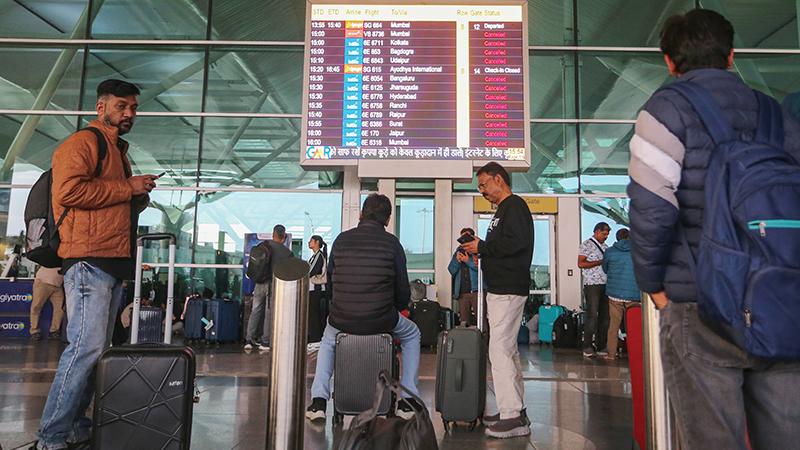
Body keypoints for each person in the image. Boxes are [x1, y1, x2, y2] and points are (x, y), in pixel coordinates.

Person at [628, 9, 800, 449]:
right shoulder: (776, 114)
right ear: (731, 55)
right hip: (778, 298)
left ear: (669, 60)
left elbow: (652, 207)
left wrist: (654, 286)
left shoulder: (664, 110)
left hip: (699, 301)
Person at [34, 79, 156, 450]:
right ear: (101, 107)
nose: (129, 113)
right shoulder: (83, 143)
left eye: (133, 107)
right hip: (88, 259)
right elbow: (68, 191)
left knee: (96, 351)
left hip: (110, 257)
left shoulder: (117, 151)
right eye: (122, 106)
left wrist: (137, 195)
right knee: (84, 349)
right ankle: (51, 436)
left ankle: (72, 427)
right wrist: (127, 189)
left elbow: (108, 199)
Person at [305, 194, 422, 421]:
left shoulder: (341, 240)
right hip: (382, 318)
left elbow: (331, 284)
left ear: (361, 214)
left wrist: (339, 307)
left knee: (329, 340)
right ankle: (407, 402)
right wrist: (394, 309)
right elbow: (402, 291)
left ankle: (318, 402)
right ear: (387, 219)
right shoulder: (393, 244)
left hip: (342, 318)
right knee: (413, 334)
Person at [460, 162, 533, 439]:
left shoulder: (515, 206)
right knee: (508, 350)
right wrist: (482, 249)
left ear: (499, 179)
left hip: (508, 288)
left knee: (499, 350)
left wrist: (484, 247)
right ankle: (515, 410)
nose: (482, 191)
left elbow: (517, 243)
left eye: (484, 185)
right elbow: (504, 245)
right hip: (502, 287)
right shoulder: (503, 210)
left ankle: (513, 416)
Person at [244, 224, 293, 351]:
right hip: (274, 285)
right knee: (269, 312)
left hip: (259, 282)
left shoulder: (263, 246)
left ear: (273, 234)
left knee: (255, 310)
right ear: (283, 237)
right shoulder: (286, 253)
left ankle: (249, 339)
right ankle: (265, 342)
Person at [601, 228, 639, 360]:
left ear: (617, 238)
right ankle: (635, 352)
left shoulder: (609, 252)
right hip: (634, 294)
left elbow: (605, 269)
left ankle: (611, 354)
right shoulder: (637, 252)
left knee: (614, 325)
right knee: (634, 326)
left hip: (614, 294)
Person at [578, 222, 610, 358]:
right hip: (592, 285)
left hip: (605, 284)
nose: (606, 236)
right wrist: (599, 262)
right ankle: (587, 346)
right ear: (597, 232)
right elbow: (581, 263)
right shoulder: (586, 245)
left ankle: (601, 345)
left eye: (607, 234)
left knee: (605, 316)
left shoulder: (606, 247)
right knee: (592, 314)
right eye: (604, 234)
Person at [447, 228, 480, 326]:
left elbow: (481, 269)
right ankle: (466, 340)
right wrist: (457, 261)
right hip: (462, 293)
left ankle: (483, 340)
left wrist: (467, 260)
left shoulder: (478, 251)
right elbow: (451, 270)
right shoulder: (458, 251)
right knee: (464, 321)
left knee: (480, 320)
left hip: (477, 292)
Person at [29, 267, 64, 341]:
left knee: (60, 309)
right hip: (43, 282)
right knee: (36, 307)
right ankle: (34, 331)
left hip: (57, 285)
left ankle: (54, 331)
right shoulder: (49, 256)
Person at [307, 235, 328, 343]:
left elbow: (311, 271)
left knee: (314, 314)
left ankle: (315, 339)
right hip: (313, 289)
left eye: (311, 241)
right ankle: (314, 337)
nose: (309, 242)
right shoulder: (314, 256)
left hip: (316, 289)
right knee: (313, 314)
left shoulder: (318, 256)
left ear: (317, 242)